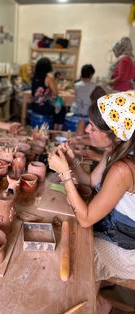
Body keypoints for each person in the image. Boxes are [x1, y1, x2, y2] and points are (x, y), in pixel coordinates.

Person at [48, 91, 135, 286]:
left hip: (127, 247)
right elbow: (89, 182)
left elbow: (86, 219)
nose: (87, 130)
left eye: (93, 128)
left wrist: (64, 174)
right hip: (113, 230)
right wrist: (72, 162)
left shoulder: (123, 169)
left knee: (68, 255)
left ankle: (96, 302)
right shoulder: (116, 150)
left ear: (115, 134)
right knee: (67, 237)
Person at [29, 57, 66, 129]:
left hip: (33, 106)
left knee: (56, 107)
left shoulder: (34, 77)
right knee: (62, 109)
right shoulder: (48, 78)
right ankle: (56, 131)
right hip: (43, 107)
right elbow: (56, 93)